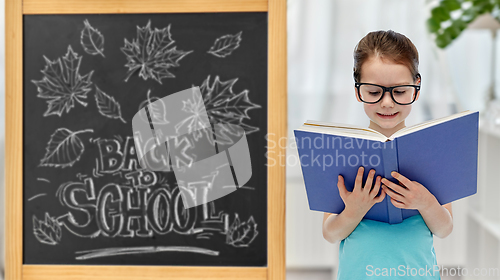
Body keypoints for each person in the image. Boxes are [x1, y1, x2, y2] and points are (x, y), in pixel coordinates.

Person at [322, 30, 453, 279]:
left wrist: (425, 202)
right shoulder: (342, 152)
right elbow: (330, 233)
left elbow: (445, 228)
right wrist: (354, 209)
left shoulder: (433, 150)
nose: (387, 103)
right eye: (373, 92)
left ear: (416, 86)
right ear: (357, 89)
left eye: (400, 91)